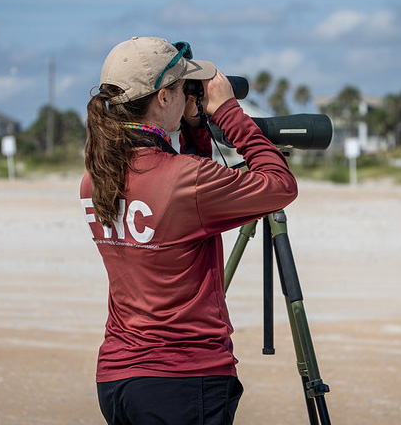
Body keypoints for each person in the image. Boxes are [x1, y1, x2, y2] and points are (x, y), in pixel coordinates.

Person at [80, 36, 298, 425]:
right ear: (163, 98)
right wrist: (230, 113)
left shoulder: (97, 177)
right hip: (183, 379)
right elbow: (279, 185)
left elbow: (183, 196)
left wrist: (196, 130)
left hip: (118, 377)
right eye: (183, 88)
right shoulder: (184, 181)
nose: (187, 97)